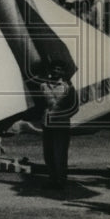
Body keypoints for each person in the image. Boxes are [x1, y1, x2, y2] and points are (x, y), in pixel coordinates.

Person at [38, 61, 79, 191]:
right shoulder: (43, 86)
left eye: (59, 69)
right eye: (54, 69)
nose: (56, 71)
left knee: (60, 152)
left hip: (61, 124)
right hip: (47, 123)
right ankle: (52, 178)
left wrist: (64, 116)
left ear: (63, 72)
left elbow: (75, 107)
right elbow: (38, 103)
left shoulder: (68, 87)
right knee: (48, 152)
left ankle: (61, 180)